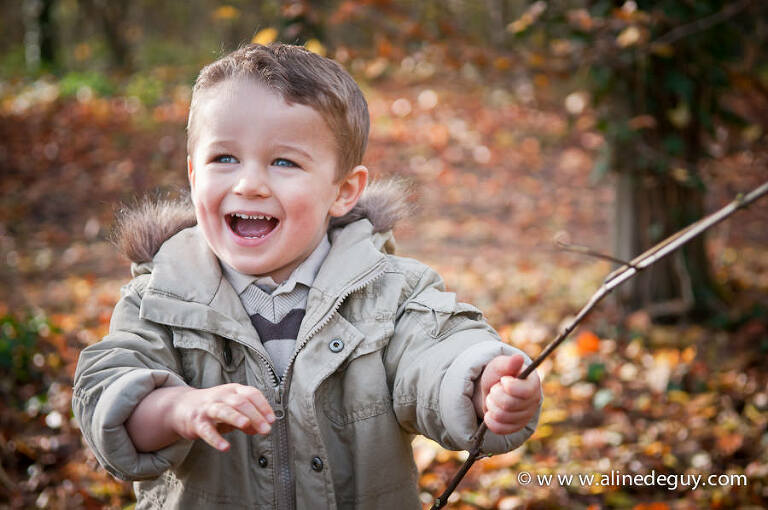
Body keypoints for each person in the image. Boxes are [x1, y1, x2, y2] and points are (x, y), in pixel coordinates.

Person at [72, 43, 542, 509]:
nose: (249, 183)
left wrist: (482, 383)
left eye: (283, 162)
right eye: (224, 159)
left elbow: (435, 351)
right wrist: (176, 409)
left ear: (342, 191)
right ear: (193, 174)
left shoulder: (387, 293)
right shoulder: (158, 298)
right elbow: (109, 390)